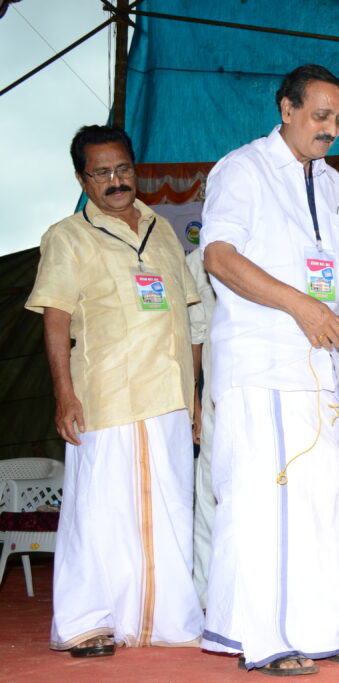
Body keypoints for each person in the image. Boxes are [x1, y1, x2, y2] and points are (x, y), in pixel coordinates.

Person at [199, 64, 339, 676]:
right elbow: (219, 257)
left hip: (321, 365)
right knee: (270, 501)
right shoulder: (243, 169)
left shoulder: (329, 182)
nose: (331, 129)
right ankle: (267, 637)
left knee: (327, 495)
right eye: (321, 116)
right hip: (266, 359)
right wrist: (300, 305)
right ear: (287, 108)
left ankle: (324, 628)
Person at [26, 125, 203, 657]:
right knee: (99, 510)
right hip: (106, 395)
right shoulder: (67, 236)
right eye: (101, 173)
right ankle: (86, 621)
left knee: (171, 508)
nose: (115, 181)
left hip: (170, 397)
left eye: (122, 168)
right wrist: (64, 394)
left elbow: (187, 320)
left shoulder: (162, 229)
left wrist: (194, 396)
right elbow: (56, 320)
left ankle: (165, 619)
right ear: (82, 179)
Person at [185, 247, 216, 608]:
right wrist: (194, 401)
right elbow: (194, 338)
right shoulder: (198, 261)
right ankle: (205, 595)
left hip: (282, 390)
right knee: (209, 492)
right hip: (217, 397)